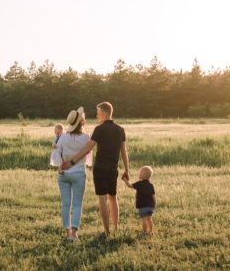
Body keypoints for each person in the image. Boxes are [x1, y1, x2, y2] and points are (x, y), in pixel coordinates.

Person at [62, 101, 130, 236]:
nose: (97, 115)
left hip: (100, 169)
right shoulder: (120, 129)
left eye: (98, 112)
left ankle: (106, 231)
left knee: (102, 199)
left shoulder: (99, 129)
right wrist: (127, 170)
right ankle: (116, 228)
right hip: (113, 169)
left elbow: (88, 148)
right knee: (113, 197)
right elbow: (124, 152)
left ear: (104, 113)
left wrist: (73, 161)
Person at [55, 107, 92, 241]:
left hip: (63, 174)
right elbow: (88, 157)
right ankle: (74, 234)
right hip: (79, 174)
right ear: (81, 121)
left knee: (65, 204)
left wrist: (60, 167)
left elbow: (56, 155)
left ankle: (67, 233)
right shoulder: (86, 137)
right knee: (77, 204)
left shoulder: (63, 137)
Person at [122, 165, 156, 235]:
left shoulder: (139, 184)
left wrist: (125, 179)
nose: (139, 174)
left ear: (144, 175)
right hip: (150, 206)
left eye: (140, 173)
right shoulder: (151, 185)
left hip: (142, 205)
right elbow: (153, 195)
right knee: (149, 219)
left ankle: (145, 232)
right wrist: (154, 204)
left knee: (144, 219)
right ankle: (151, 231)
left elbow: (130, 185)